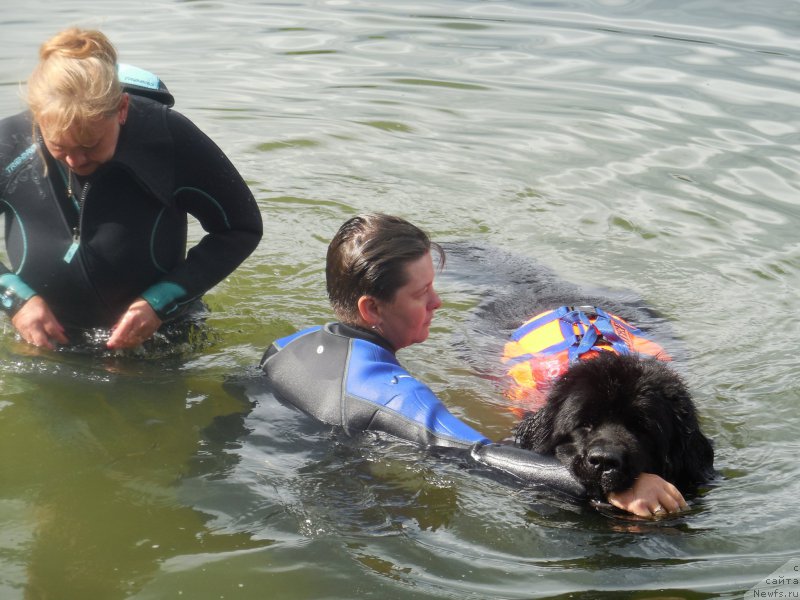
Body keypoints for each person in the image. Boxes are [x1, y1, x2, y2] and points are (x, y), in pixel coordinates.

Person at [260, 213, 687, 517]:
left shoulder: (284, 346)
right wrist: (618, 486)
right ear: (372, 308)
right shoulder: (391, 392)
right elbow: (477, 457)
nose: (437, 302)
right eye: (421, 292)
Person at [0, 28, 262, 350]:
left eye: (90, 144)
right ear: (38, 117)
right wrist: (13, 299)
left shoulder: (167, 138)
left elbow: (241, 228)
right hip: (41, 342)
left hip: (158, 339)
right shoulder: (9, 144)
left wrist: (161, 302)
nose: (74, 160)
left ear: (122, 108)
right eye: (58, 146)